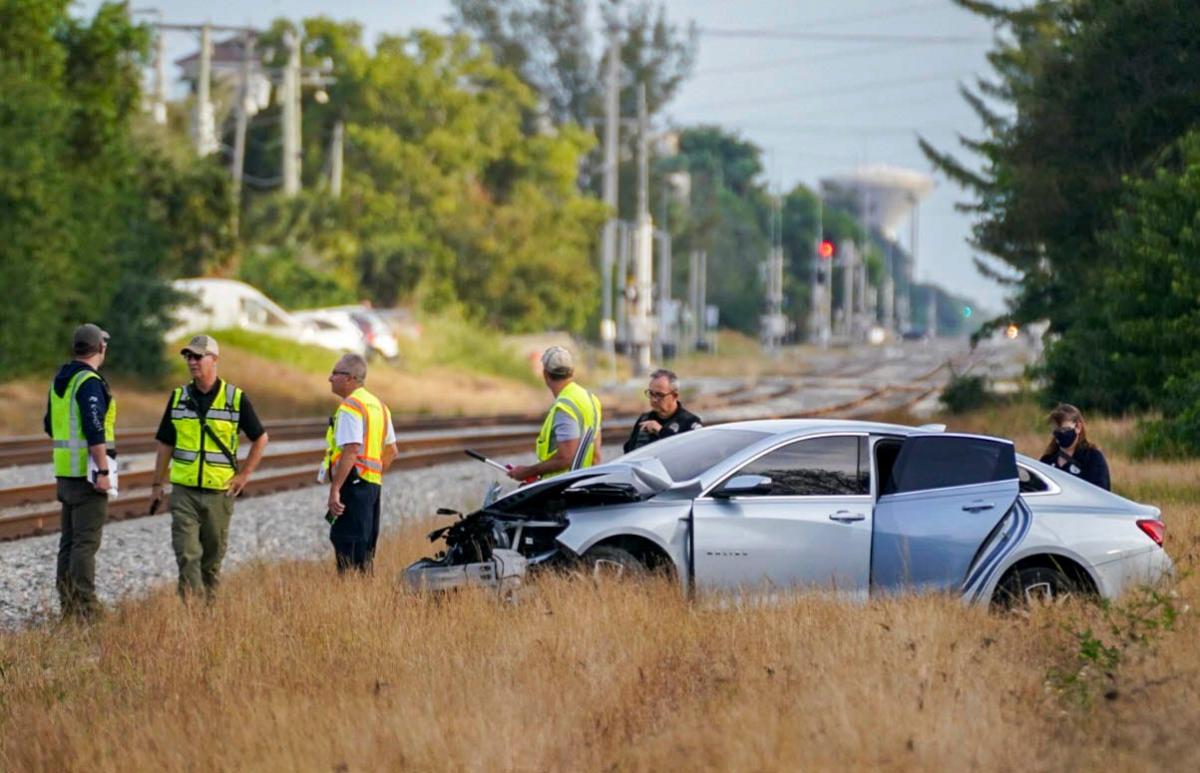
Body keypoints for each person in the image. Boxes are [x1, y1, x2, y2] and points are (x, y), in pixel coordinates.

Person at [148, 335, 270, 599]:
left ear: (214, 359)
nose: (192, 361)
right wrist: (157, 484)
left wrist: (244, 475)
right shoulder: (178, 397)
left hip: (219, 492)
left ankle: (208, 612)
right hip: (184, 492)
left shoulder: (235, 398)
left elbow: (260, 438)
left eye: (197, 356)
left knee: (211, 561)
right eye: (188, 356)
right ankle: (192, 611)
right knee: (187, 555)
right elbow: (165, 444)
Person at [44, 323, 116, 620]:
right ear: (101, 347)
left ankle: (68, 607)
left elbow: (49, 425)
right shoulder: (88, 381)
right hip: (86, 474)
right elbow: (93, 426)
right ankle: (87, 608)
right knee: (85, 543)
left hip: (65, 472)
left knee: (69, 542)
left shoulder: (61, 381)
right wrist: (102, 470)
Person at [322, 353, 398, 573]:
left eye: (335, 373)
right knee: (365, 552)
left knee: (347, 550)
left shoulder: (350, 407)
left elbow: (351, 449)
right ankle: (363, 599)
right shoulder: (379, 406)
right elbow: (392, 450)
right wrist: (373, 475)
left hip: (353, 486)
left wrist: (335, 488)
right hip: (372, 488)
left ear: (350, 378)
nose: (330, 378)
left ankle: (349, 600)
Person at [507, 346, 602, 482]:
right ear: (572, 372)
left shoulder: (564, 407)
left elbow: (566, 458)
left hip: (563, 490)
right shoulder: (591, 399)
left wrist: (527, 471)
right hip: (584, 485)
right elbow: (596, 456)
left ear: (545, 374)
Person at [622, 368, 703, 453]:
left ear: (674, 396)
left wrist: (661, 431)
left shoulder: (690, 422)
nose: (654, 399)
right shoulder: (644, 419)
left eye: (659, 395)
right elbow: (629, 452)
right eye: (651, 393)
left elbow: (695, 455)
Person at [1039, 403, 1110, 491]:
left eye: (1065, 429)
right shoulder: (1047, 460)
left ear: (1078, 427)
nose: (1060, 434)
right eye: (1056, 430)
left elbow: (1102, 495)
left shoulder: (1092, 458)